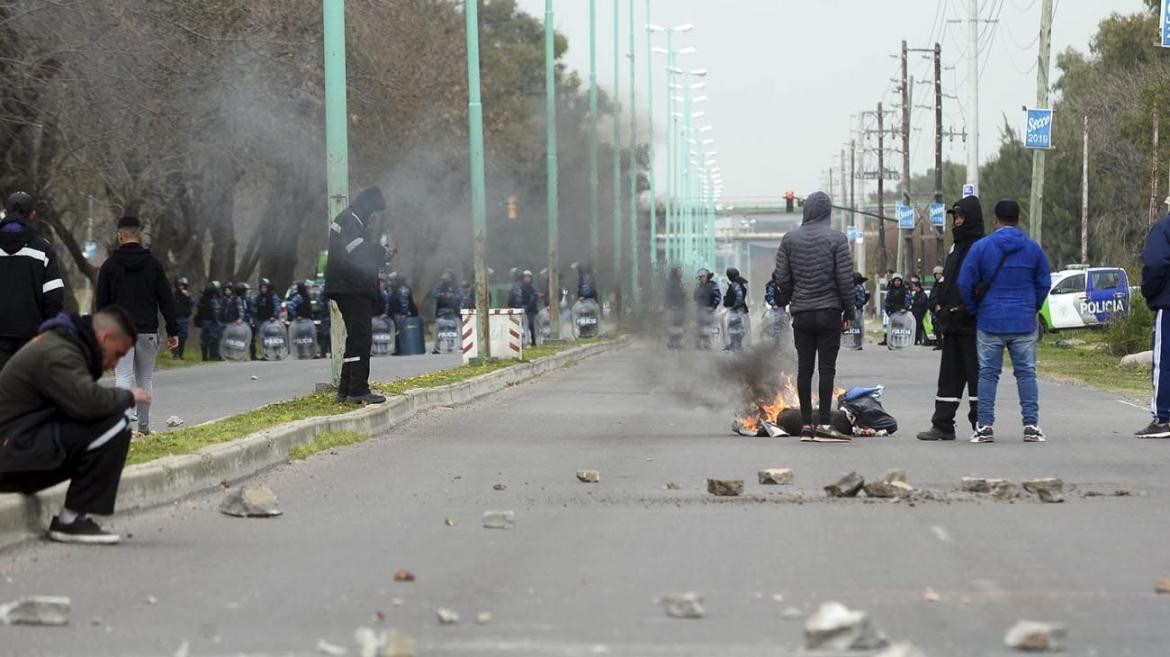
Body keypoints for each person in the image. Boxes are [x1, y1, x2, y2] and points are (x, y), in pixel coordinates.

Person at [0, 307, 148, 544]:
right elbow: (87, 402)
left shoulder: (65, 345)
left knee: (106, 422)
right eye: (118, 354)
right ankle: (71, 521)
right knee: (116, 425)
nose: (114, 364)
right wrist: (127, 397)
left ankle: (75, 517)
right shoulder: (58, 352)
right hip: (9, 454)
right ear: (104, 338)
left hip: (18, 444)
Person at [958, 198, 1051, 444]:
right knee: (1026, 373)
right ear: (1018, 219)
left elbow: (964, 283)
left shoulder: (981, 247)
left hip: (990, 320)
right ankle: (1031, 426)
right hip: (1023, 322)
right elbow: (1044, 282)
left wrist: (974, 309)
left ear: (995, 220)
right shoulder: (1033, 248)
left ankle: (985, 427)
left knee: (987, 375)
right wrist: (1033, 307)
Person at [772, 190, 854, 443]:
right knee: (826, 369)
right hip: (829, 313)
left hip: (802, 314)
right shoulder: (837, 239)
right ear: (827, 213)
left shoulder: (789, 240)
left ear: (806, 210)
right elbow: (844, 279)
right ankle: (825, 426)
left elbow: (782, 277)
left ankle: (806, 425)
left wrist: (786, 299)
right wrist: (849, 311)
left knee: (805, 369)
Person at [95, 216, 178, 436]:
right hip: (147, 331)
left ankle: (122, 429)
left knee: (122, 377)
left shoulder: (109, 266)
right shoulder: (154, 265)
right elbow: (166, 300)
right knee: (145, 379)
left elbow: (101, 303)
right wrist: (173, 330)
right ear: (139, 235)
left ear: (119, 236)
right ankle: (143, 427)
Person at [916, 196, 985, 441]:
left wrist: (963, 309)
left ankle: (981, 424)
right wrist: (940, 305)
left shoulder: (980, 247)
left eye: (960, 216)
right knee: (949, 377)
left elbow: (979, 285)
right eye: (954, 217)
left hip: (972, 324)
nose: (956, 221)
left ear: (972, 218)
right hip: (952, 325)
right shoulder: (956, 247)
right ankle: (943, 425)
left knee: (977, 377)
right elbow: (948, 282)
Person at [324, 186, 392, 405]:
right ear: (367, 207)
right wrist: (381, 253)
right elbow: (359, 253)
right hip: (352, 288)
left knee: (355, 339)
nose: (373, 218)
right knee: (361, 339)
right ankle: (358, 390)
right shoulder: (350, 221)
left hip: (348, 287)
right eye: (373, 212)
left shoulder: (348, 220)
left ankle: (346, 390)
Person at [0, 192, 64, 372]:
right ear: (32, 215)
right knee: (27, 389)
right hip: (31, 334)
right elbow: (54, 296)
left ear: (5, 212)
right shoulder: (43, 248)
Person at [1138, 207, 1170, 438]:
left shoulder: (1164, 227)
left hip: (1169, 304)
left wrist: (1149, 292)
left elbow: (1155, 263)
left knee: (1165, 362)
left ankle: (1163, 419)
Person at [431, 270, 461, 354]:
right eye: (444, 276)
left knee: (453, 328)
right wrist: (442, 295)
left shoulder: (455, 286)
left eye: (447, 276)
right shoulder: (439, 286)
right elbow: (434, 294)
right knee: (438, 329)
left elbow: (460, 296)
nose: (445, 278)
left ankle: (451, 346)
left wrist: (452, 296)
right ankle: (437, 347)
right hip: (441, 311)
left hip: (453, 311)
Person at [250, 278, 281, 360]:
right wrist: (256, 311)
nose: (263, 289)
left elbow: (277, 306)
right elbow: (252, 305)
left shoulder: (273, 296)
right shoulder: (258, 297)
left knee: (274, 337)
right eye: (262, 288)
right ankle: (265, 354)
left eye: (265, 287)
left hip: (272, 320)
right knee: (264, 338)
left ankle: (277, 353)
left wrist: (274, 315)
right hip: (261, 320)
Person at [693, 268, 721, 349]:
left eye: (703, 276)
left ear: (707, 276)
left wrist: (713, 306)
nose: (701, 278)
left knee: (709, 327)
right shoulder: (698, 286)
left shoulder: (713, 285)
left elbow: (718, 296)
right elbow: (695, 297)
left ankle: (708, 344)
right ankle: (699, 343)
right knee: (700, 327)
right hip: (701, 309)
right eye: (700, 277)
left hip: (710, 309)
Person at [723, 267, 749, 352]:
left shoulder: (735, 285)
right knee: (739, 328)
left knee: (733, 328)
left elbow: (738, 298)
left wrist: (727, 301)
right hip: (741, 310)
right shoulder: (740, 284)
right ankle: (737, 345)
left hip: (735, 310)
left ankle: (735, 345)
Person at [196, 282, 223, 361]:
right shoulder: (213, 300)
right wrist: (218, 323)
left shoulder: (202, 299)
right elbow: (216, 313)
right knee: (214, 339)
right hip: (212, 322)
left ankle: (204, 357)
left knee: (204, 340)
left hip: (204, 322)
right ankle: (214, 356)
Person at [172, 277, 196, 359]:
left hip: (184, 318)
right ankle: (175, 354)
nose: (181, 287)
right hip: (174, 318)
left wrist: (187, 296)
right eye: (180, 285)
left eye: (183, 285)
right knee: (174, 336)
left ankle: (180, 354)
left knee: (183, 336)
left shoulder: (188, 295)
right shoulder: (173, 294)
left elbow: (193, 304)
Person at [664, 266, 686, 350]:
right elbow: (667, 295)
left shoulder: (680, 283)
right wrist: (671, 305)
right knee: (673, 326)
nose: (681, 273)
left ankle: (677, 342)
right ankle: (672, 343)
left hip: (681, 308)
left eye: (681, 271)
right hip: (673, 308)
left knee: (679, 326)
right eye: (679, 271)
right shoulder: (671, 283)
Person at [927, 265, 945, 350]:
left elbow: (942, 295)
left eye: (940, 273)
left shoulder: (943, 284)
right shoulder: (935, 284)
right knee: (935, 326)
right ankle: (939, 343)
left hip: (940, 307)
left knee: (941, 326)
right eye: (936, 274)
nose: (938, 275)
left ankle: (943, 343)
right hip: (934, 308)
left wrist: (939, 304)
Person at [521, 270, 541, 346]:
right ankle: (523, 342)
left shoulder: (533, 288)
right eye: (525, 277)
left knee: (531, 325)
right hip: (522, 310)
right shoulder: (520, 288)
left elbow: (535, 297)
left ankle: (533, 342)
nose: (527, 279)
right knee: (522, 326)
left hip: (531, 310)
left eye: (528, 277)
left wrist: (529, 306)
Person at [909, 276, 929, 345]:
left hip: (920, 314)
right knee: (917, 327)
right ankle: (918, 339)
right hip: (916, 313)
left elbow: (922, 303)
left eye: (914, 287)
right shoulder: (916, 294)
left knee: (919, 328)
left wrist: (914, 302)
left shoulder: (923, 294)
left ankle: (919, 339)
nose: (913, 288)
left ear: (918, 287)